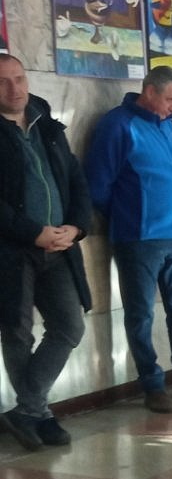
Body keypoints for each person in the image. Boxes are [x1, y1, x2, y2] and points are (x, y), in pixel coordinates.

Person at [86, 66, 172, 412]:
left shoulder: (169, 127)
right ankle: (152, 385)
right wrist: (128, 215)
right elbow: (98, 186)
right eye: (170, 100)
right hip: (139, 239)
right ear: (149, 91)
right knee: (141, 315)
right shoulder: (118, 125)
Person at [0, 53, 92, 450]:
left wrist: (77, 226)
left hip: (59, 247)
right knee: (17, 332)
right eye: (3, 81)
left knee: (70, 326)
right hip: (13, 251)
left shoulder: (47, 123)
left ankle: (27, 410)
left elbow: (75, 178)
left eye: (19, 78)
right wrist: (33, 232)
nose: (15, 88)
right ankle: (38, 413)